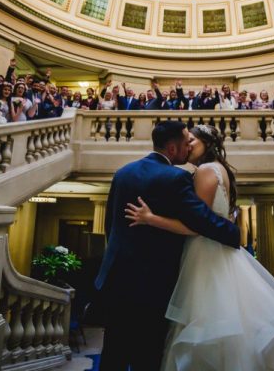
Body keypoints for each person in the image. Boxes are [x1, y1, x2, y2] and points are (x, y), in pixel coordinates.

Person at [125, 125, 274, 371]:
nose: (189, 145)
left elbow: (197, 226)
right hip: (216, 252)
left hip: (205, 254)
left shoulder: (206, 171)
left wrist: (151, 218)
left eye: (192, 140)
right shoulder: (219, 169)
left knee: (208, 324)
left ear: (207, 143)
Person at [95, 121, 241, 371]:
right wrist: (233, 231)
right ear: (173, 149)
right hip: (154, 284)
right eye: (186, 143)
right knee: (148, 355)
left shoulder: (123, 173)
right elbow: (201, 221)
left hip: (117, 279)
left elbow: (111, 226)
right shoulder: (176, 177)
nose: (188, 147)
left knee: (114, 353)